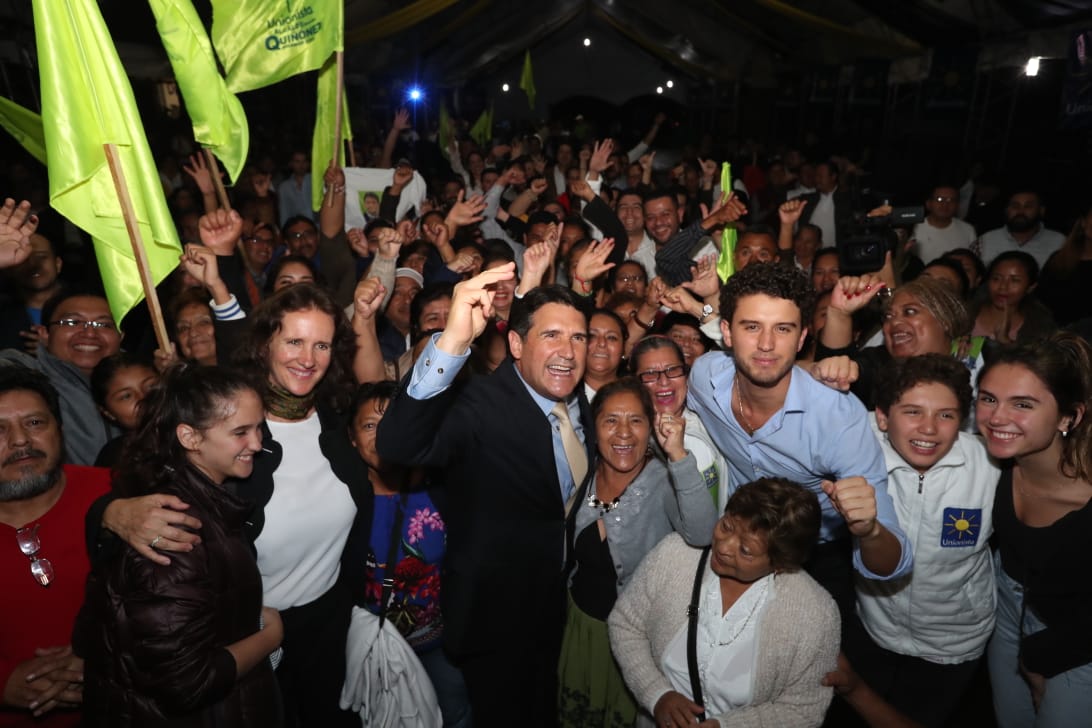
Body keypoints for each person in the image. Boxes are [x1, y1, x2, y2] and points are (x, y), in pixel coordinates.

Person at [95, 283, 363, 727]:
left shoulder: (336, 413)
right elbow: (152, 485)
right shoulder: (225, 431)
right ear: (263, 345)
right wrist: (109, 513)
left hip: (327, 626)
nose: (308, 358)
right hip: (242, 635)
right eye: (294, 341)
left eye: (322, 344)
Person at [376, 275, 594, 726]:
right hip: (493, 621)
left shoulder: (578, 404)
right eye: (551, 335)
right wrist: (453, 339)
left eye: (578, 337)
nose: (568, 351)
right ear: (516, 344)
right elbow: (398, 445)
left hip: (553, 608)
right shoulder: (478, 404)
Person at [686, 263, 912, 622]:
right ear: (727, 332)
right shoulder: (704, 378)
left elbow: (893, 563)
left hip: (819, 554)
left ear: (802, 337)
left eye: (783, 329)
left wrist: (868, 530)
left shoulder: (838, 418)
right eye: (751, 327)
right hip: (737, 539)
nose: (766, 344)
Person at [75, 365, 283, 726]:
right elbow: (187, 682)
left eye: (258, 427)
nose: (257, 443)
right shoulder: (173, 529)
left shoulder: (205, 494)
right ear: (189, 437)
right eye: (240, 432)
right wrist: (271, 637)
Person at [608, 478, 840, 727]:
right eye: (727, 526)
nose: (724, 547)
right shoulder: (675, 555)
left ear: (781, 563)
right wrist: (656, 694)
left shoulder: (815, 614)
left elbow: (803, 711)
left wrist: (728, 725)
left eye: (746, 550)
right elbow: (625, 624)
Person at [850, 354, 1000, 727]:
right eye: (913, 412)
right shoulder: (859, 446)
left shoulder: (991, 465)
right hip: (875, 630)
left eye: (946, 415)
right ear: (883, 418)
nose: (930, 428)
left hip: (955, 645)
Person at [559, 378, 718, 726]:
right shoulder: (583, 472)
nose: (624, 433)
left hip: (635, 647)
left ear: (651, 428)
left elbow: (704, 532)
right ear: (594, 427)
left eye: (635, 420)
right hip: (580, 629)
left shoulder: (663, 479)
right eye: (611, 420)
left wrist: (678, 454)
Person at [975, 332, 1092, 727]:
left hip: (1079, 641)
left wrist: (1038, 660)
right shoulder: (989, 465)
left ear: (1068, 417)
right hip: (1007, 612)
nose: (997, 417)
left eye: (1022, 404)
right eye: (988, 398)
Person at [338, 381, 470, 728]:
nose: (381, 435)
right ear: (351, 438)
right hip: (372, 647)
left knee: (455, 715)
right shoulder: (343, 500)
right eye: (369, 425)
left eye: (391, 422)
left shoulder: (444, 487)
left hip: (439, 645)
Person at [0, 368, 111, 727]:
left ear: (59, 429)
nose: (20, 441)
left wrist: (107, 656)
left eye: (34, 422)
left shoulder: (119, 495)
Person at [817, 275, 978, 411]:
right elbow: (831, 381)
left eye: (910, 312)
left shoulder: (981, 359)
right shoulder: (877, 365)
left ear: (945, 320)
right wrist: (839, 314)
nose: (894, 322)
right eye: (888, 316)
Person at [631, 336, 728, 508]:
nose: (664, 382)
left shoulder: (711, 418)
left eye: (673, 370)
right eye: (650, 374)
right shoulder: (628, 437)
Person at [970, 250, 1055, 344]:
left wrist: (1007, 343)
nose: (1003, 287)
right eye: (996, 278)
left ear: (1030, 287)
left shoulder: (1039, 327)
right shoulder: (965, 314)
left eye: (1015, 280)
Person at [89, 353, 158, 467]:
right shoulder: (114, 457)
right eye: (126, 396)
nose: (144, 398)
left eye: (151, 386)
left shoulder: (195, 430)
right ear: (108, 412)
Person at [974, 190, 1065, 269]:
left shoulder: (1060, 242)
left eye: (1028, 206)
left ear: (1041, 210)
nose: (1021, 211)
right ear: (1007, 210)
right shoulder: (985, 241)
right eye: (1015, 206)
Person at [583, 310, 628, 401]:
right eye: (592, 336)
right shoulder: (562, 394)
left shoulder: (637, 397)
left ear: (623, 348)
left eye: (611, 337)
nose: (602, 343)